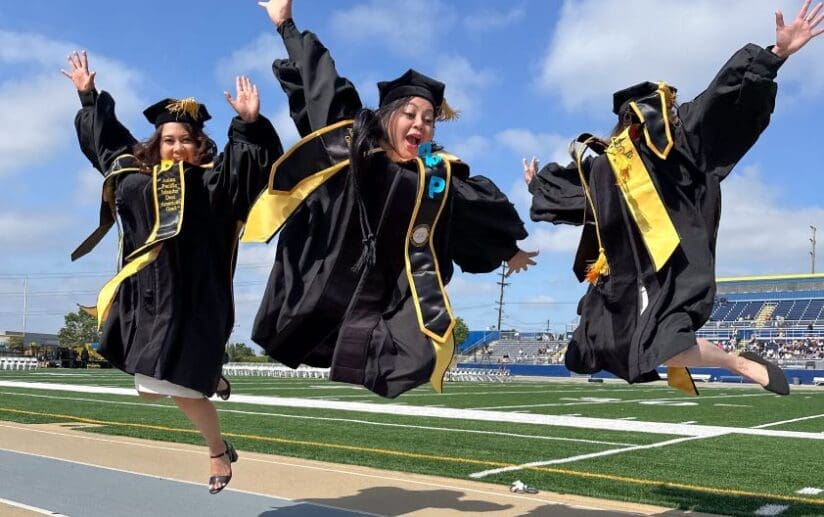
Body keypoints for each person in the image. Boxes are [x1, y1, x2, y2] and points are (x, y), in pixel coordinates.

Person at [524, 0, 823, 397]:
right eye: (627, 120)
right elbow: (575, 194)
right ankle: (644, 349)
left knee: (666, 344)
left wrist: (775, 55)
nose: (634, 124)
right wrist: (536, 184)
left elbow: (721, 100)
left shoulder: (678, 140)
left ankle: (740, 362)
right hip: (620, 282)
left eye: (642, 115)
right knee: (589, 352)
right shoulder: (608, 166)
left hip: (670, 274)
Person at [248, 0, 537, 398]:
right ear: (387, 116)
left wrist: (508, 251)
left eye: (429, 118)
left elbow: (471, 215)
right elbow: (322, 81)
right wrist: (286, 25)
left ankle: (359, 360)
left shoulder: (434, 178)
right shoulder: (357, 148)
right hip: (334, 263)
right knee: (303, 320)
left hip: (393, 287)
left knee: (421, 352)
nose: (420, 123)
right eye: (410, 113)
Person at [63, 50, 282, 493]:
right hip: (145, 299)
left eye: (185, 139)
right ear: (156, 144)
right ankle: (211, 375)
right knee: (148, 391)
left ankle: (217, 451)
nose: (177, 147)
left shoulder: (213, 181)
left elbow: (253, 169)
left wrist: (250, 124)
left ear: (199, 144)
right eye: (168, 140)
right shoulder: (136, 177)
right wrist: (89, 98)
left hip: (194, 300)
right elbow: (108, 145)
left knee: (181, 390)